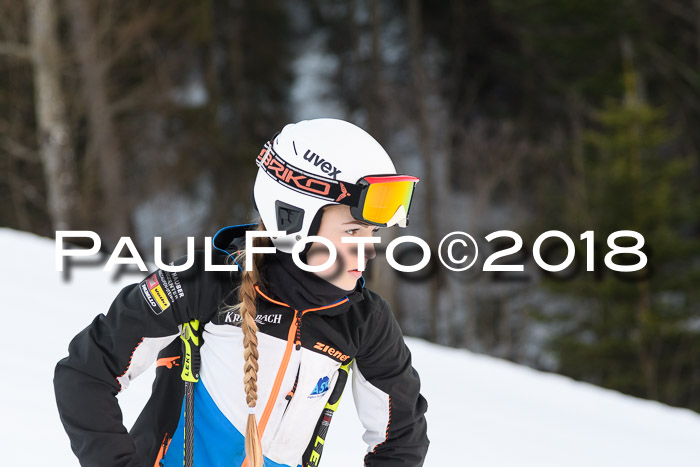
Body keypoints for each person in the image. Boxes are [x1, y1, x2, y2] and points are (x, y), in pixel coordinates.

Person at [54, 118, 430, 467]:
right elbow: (85, 374)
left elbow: (401, 437)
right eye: (352, 231)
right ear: (292, 218)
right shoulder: (203, 281)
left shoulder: (364, 320)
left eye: (373, 234)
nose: (367, 250)